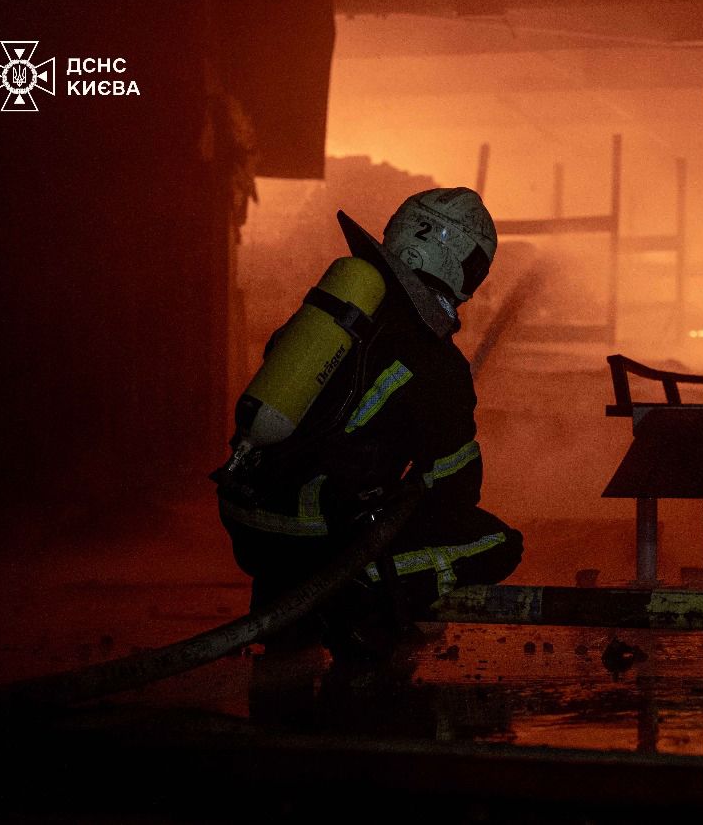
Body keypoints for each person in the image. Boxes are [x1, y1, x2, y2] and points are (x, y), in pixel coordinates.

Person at [217, 187, 523, 660]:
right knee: (497, 543)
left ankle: (291, 617)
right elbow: (456, 490)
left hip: (247, 525)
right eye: (475, 267)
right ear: (454, 260)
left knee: (334, 502)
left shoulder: (338, 311)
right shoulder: (435, 359)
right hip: (315, 543)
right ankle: (354, 594)